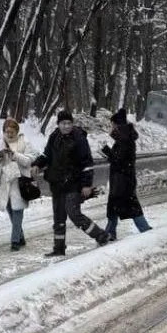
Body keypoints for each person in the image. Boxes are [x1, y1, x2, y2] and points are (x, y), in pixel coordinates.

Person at [31, 110, 108, 257]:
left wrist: (86, 184)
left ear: (72, 124)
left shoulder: (79, 139)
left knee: (73, 213)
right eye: (63, 123)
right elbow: (46, 155)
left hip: (74, 183)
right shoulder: (54, 137)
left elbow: (87, 163)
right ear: (58, 124)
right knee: (58, 217)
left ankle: (100, 235)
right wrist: (37, 164)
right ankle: (59, 248)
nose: (66, 126)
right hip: (57, 183)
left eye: (69, 123)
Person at [101, 108, 152, 241]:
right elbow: (119, 159)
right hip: (122, 179)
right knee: (117, 206)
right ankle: (110, 233)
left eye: (112, 125)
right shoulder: (124, 138)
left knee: (128, 206)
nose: (110, 128)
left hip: (122, 180)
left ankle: (145, 230)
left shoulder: (123, 139)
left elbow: (119, 160)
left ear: (117, 125)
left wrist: (106, 151)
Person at [0, 118, 35, 251]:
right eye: (7, 131)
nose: (9, 134)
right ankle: (20, 237)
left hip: (20, 182)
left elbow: (29, 160)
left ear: (17, 131)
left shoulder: (24, 142)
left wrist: (15, 155)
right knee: (10, 210)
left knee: (17, 210)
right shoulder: (1, 144)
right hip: (5, 182)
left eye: (12, 131)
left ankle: (14, 241)